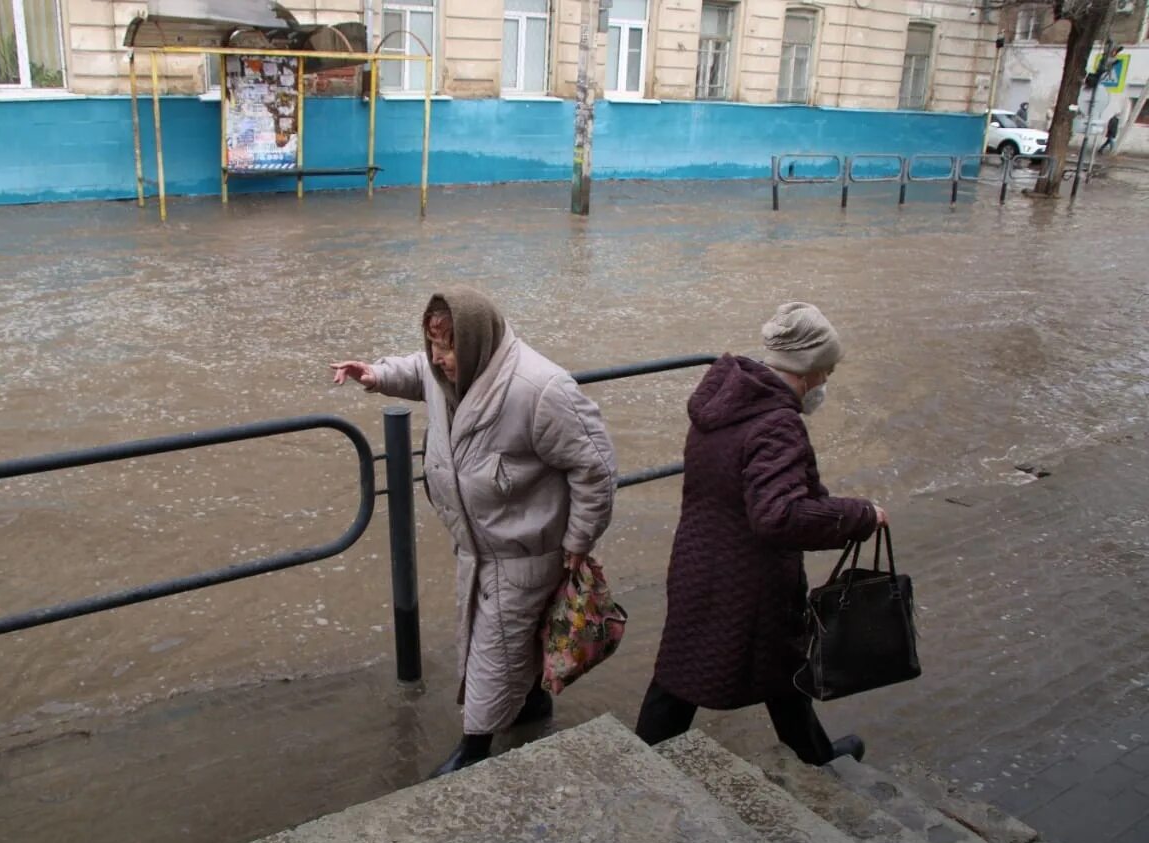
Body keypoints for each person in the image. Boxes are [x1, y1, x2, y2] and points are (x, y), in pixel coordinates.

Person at [332, 287, 617, 778]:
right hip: (478, 544)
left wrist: (577, 540)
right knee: (513, 640)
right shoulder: (447, 371)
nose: (439, 359)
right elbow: (417, 369)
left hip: (524, 548)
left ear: (478, 343)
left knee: (495, 647)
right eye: (434, 345)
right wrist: (376, 375)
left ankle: (474, 749)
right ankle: (530, 706)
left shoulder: (540, 389)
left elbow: (596, 468)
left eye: (448, 348)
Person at [634, 302, 886, 765]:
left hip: (698, 561)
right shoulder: (778, 423)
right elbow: (779, 516)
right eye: (826, 372)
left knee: (698, 671)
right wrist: (860, 515)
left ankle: (815, 755)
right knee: (770, 671)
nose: (826, 382)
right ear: (807, 371)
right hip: (749, 581)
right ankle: (647, 766)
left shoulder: (722, 404)